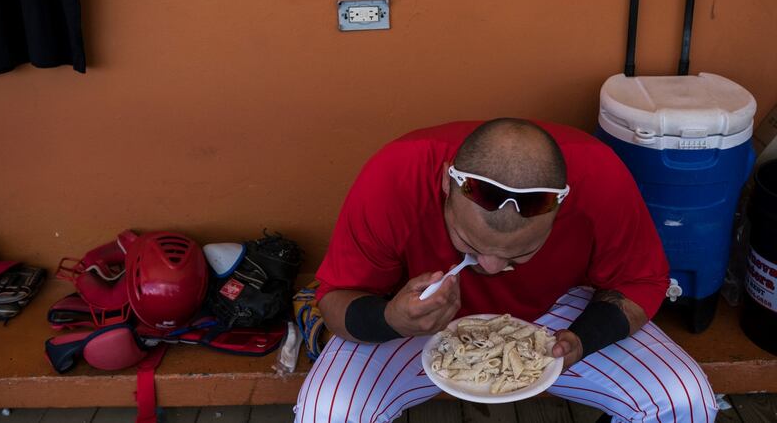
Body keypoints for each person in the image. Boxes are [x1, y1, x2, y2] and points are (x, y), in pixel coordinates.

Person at [294, 118, 717, 423]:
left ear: (562, 205)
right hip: (418, 315)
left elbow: (640, 283)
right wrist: (391, 317)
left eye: (520, 253)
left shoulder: (599, 176)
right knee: (326, 412)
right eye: (471, 245)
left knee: (684, 399)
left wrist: (584, 339)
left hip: (553, 314)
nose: (491, 268)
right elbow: (333, 301)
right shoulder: (396, 172)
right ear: (445, 184)